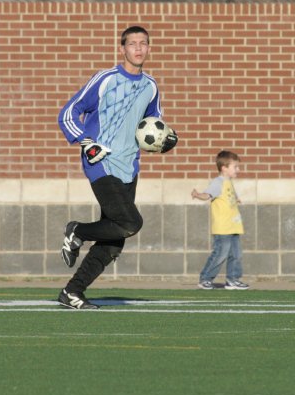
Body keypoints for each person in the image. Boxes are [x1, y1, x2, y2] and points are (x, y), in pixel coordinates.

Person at [57, 25, 177, 309]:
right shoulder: (105, 79)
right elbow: (68, 113)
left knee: (115, 238)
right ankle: (77, 231)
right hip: (101, 161)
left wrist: (165, 140)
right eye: (132, 43)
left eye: (143, 43)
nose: (138, 48)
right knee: (130, 223)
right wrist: (86, 142)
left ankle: (72, 293)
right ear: (122, 48)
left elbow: (153, 126)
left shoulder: (151, 86)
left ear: (149, 48)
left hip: (128, 167)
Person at [193, 151, 249, 290]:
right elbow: (208, 195)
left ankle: (233, 279)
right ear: (224, 168)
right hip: (222, 227)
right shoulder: (218, 182)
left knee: (236, 255)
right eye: (235, 167)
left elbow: (229, 197)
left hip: (233, 226)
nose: (238, 170)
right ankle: (205, 279)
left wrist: (236, 200)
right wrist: (198, 195)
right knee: (220, 254)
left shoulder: (228, 182)